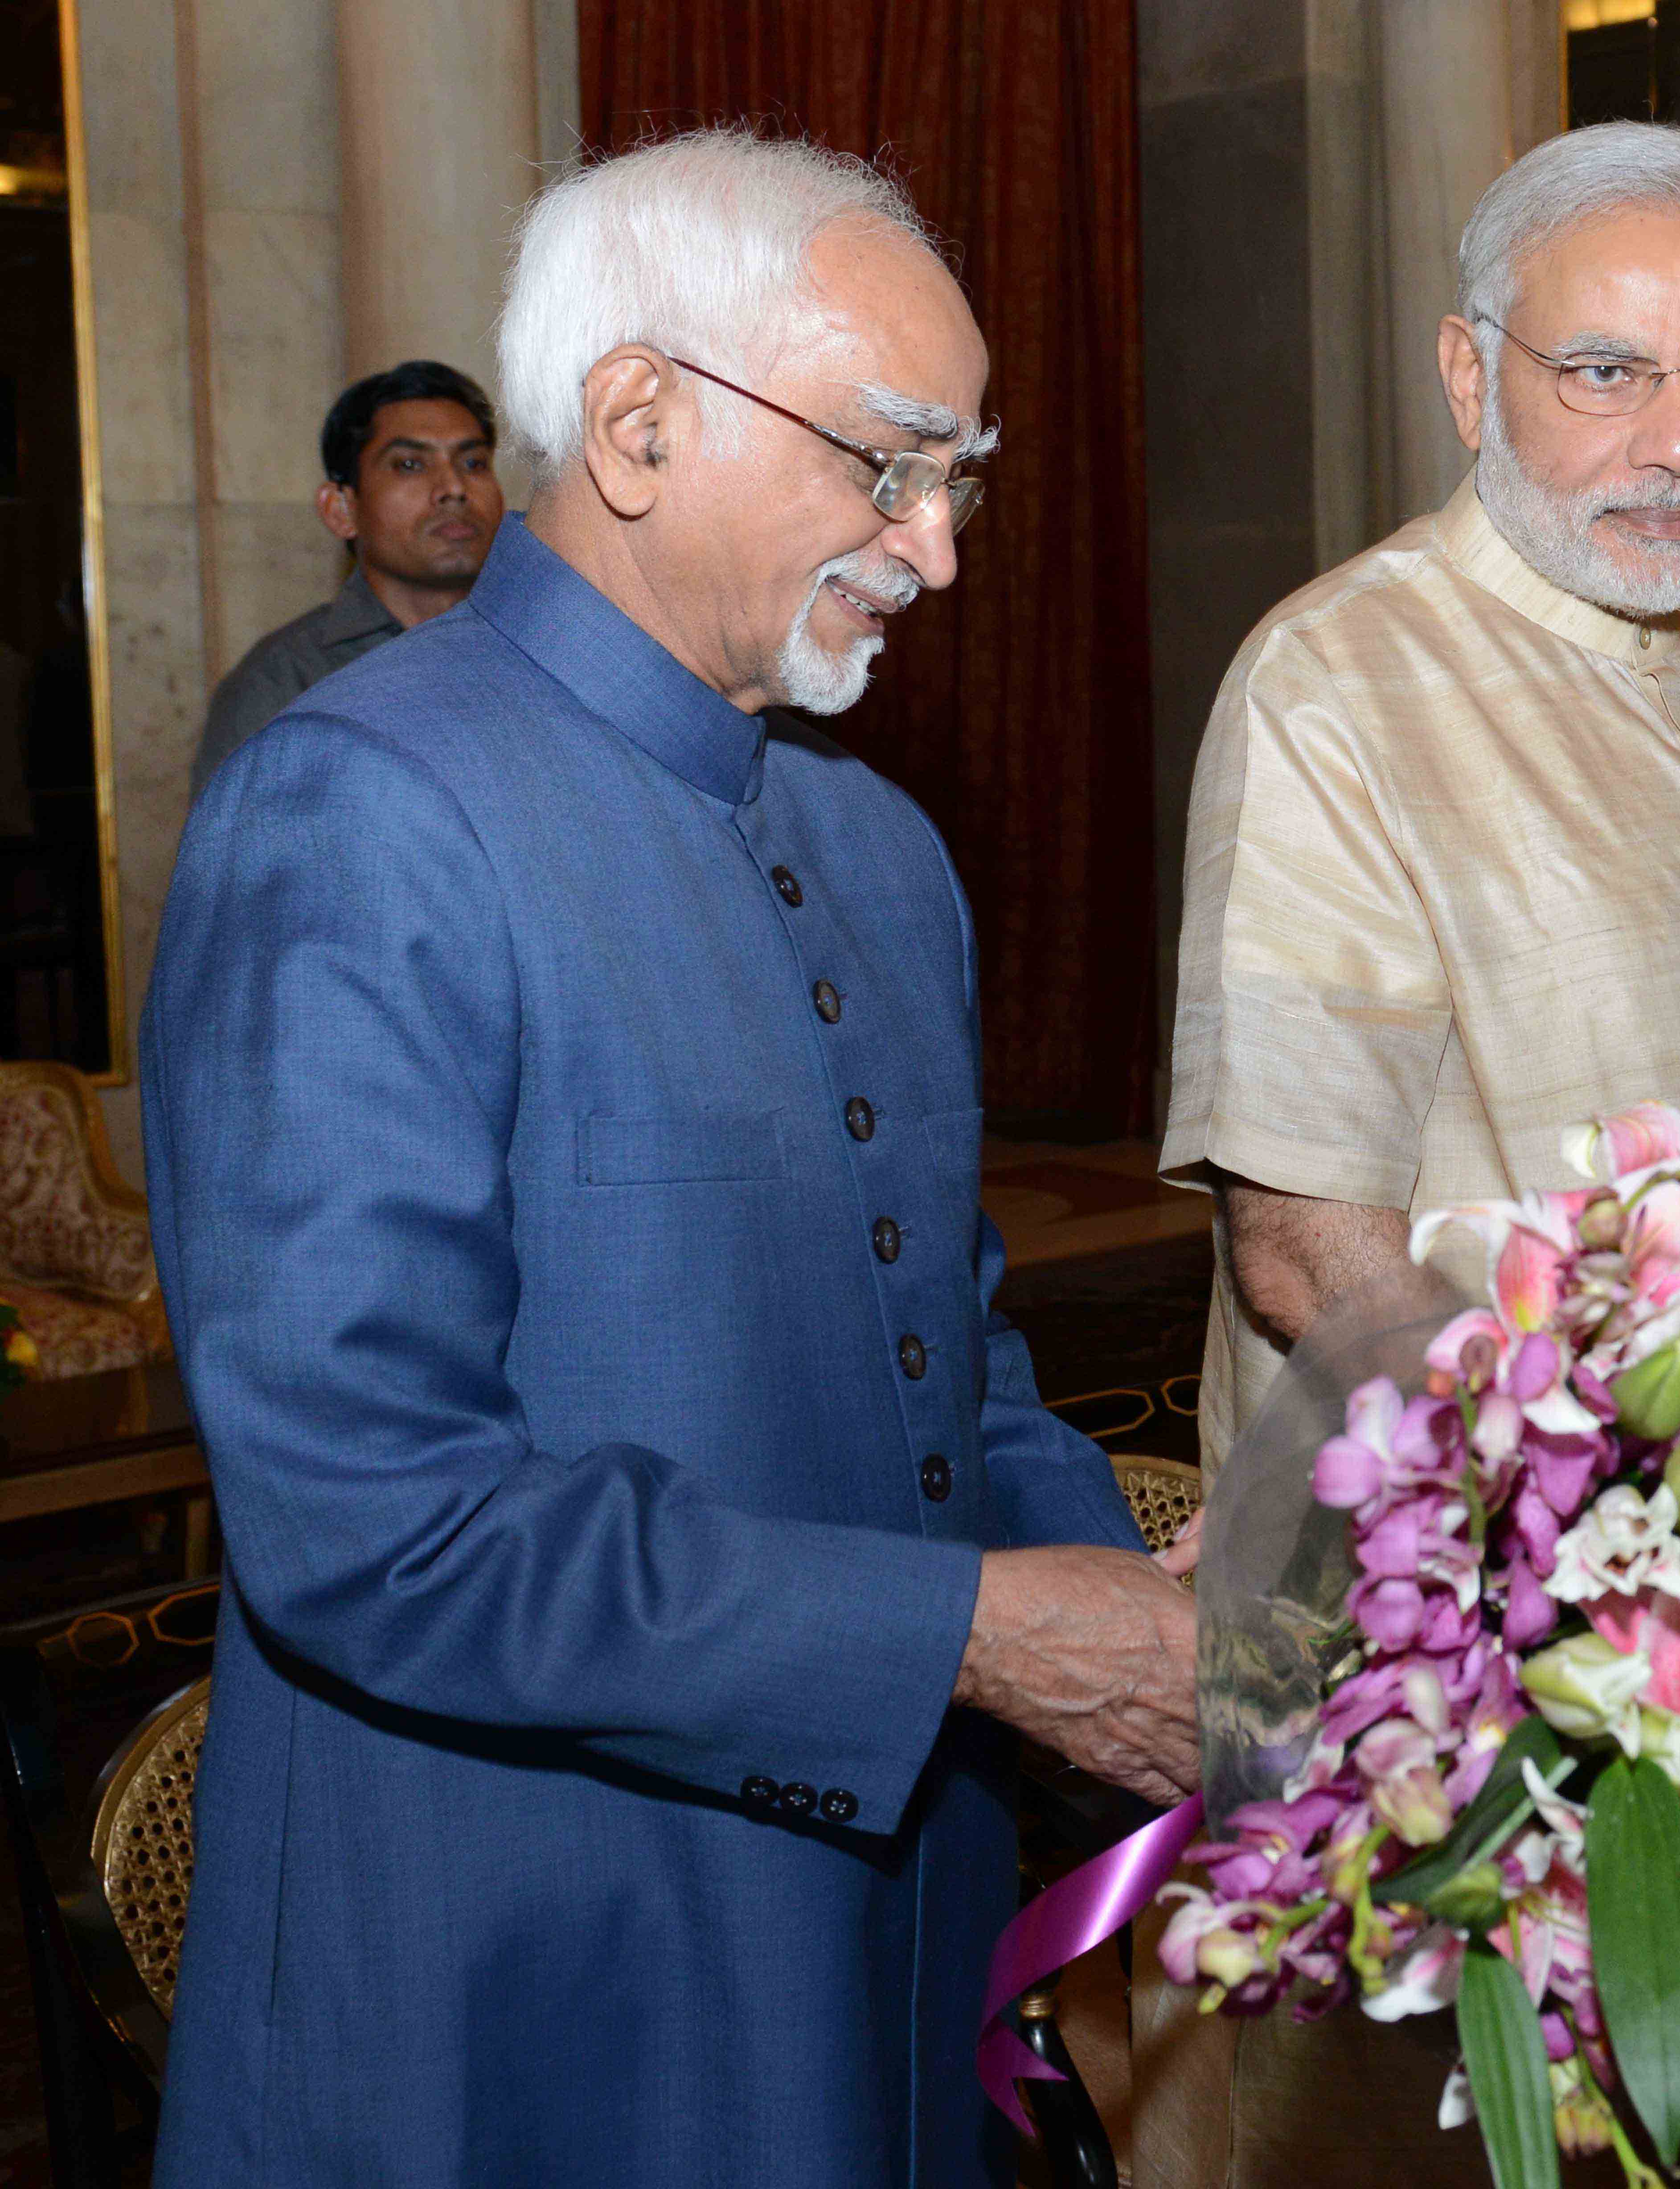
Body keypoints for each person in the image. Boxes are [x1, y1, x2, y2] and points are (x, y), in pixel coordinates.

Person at [143, 130, 1197, 2185]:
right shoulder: (349, 806)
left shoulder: (878, 845)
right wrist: (985, 1636)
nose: (937, 547)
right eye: (885, 463)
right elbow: (371, 1520)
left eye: (960, 474)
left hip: (879, 1929)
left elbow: (947, 1361)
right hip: (526, 1958)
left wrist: (1171, 1614)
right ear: (634, 422)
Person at [1158, 119, 1680, 2188]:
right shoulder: (1339, 683)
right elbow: (1308, 1255)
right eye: (1607, 371)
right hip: (1446, 1659)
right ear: (1470, 378)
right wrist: (1623, 1496)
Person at [190, 359, 504, 791]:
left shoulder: (541, 649)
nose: (454, 488)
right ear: (342, 509)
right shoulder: (285, 681)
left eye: (473, 463)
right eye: (410, 465)